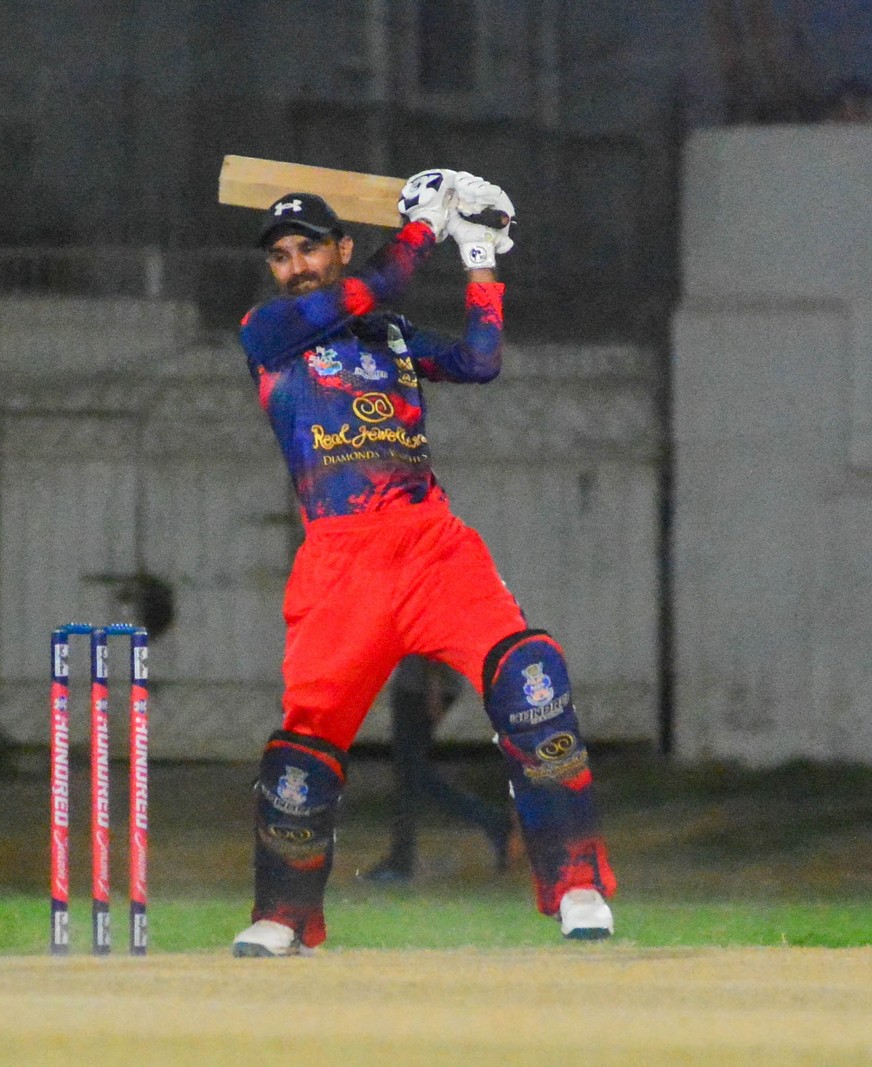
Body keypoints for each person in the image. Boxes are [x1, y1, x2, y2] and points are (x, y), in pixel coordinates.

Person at [230, 173, 616, 957]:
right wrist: (419, 231)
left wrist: (477, 255)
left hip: (431, 546)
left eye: (309, 249)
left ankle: (576, 882)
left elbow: (480, 360)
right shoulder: (269, 331)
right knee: (305, 744)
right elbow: (371, 287)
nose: (296, 265)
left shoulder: (392, 336)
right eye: (281, 255)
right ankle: (284, 914)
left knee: (530, 679)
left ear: (342, 247)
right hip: (341, 562)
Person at [357, 655, 511, 884]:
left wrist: (434, 687)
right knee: (414, 775)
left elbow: (428, 644)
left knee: (409, 776)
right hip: (422, 683)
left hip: (418, 686)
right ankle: (492, 821)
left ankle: (401, 862)